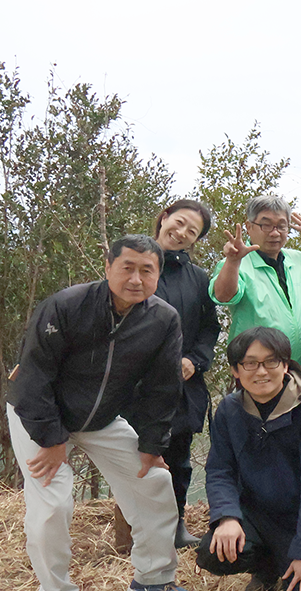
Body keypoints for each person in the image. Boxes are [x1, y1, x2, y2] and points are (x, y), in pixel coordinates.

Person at [7, 235, 188, 591]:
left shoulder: (163, 319)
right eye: (127, 268)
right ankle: (55, 587)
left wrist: (152, 445)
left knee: (154, 482)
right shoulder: (66, 305)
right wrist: (53, 439)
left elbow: (163, 387)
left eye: (146, 271)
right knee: (52, 505)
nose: (136, 279)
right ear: (108, 268)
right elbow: (33, 377)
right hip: (40, 417)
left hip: (101, 419)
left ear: (157, 276)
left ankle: (154, 580)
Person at [196, 327, 301, 591]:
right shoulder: (229, 409)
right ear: (235, 371)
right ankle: (266, 566)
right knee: (213, 551)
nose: (261, 372)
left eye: (271, 361)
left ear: (285, 365)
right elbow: (219, 470)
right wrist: (227, 517)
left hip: (300, 520)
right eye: (250, 363)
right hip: (255, 512)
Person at [151, 200, 221, 549]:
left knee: (178, 459)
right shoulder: (135, 263)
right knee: (137, 456)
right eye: (179, 223)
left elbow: (211, 328)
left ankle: (176, 526)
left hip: (183, 385)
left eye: (191, 232)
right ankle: (139, 528)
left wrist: (196, 360)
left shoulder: (198, 279)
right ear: (164, 218)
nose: (181, 233)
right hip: (137, 385)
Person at [210, 195, 301, 367]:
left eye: (281, 226)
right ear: (249, 226)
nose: (274, 233)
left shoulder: (297, 259)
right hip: (257, 369)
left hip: (298, 367)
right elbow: (223, 296)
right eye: (266, 225)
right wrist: (233, 261)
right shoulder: (237, 264)